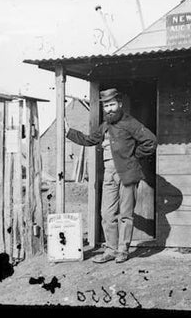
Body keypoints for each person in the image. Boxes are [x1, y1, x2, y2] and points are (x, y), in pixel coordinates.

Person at [65, 88, 157, 263]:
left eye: (112, 104)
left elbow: (151, 141)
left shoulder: (131, 123)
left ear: (120, 105)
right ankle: (111, 250)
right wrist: (69, 132)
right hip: (109, 175)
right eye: (106, 106)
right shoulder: (105, 125)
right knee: (106, 214)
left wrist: (134, 156)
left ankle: (123, 250)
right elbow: (90, 140)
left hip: (127, 174)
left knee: (126, 214)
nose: (109, 109)